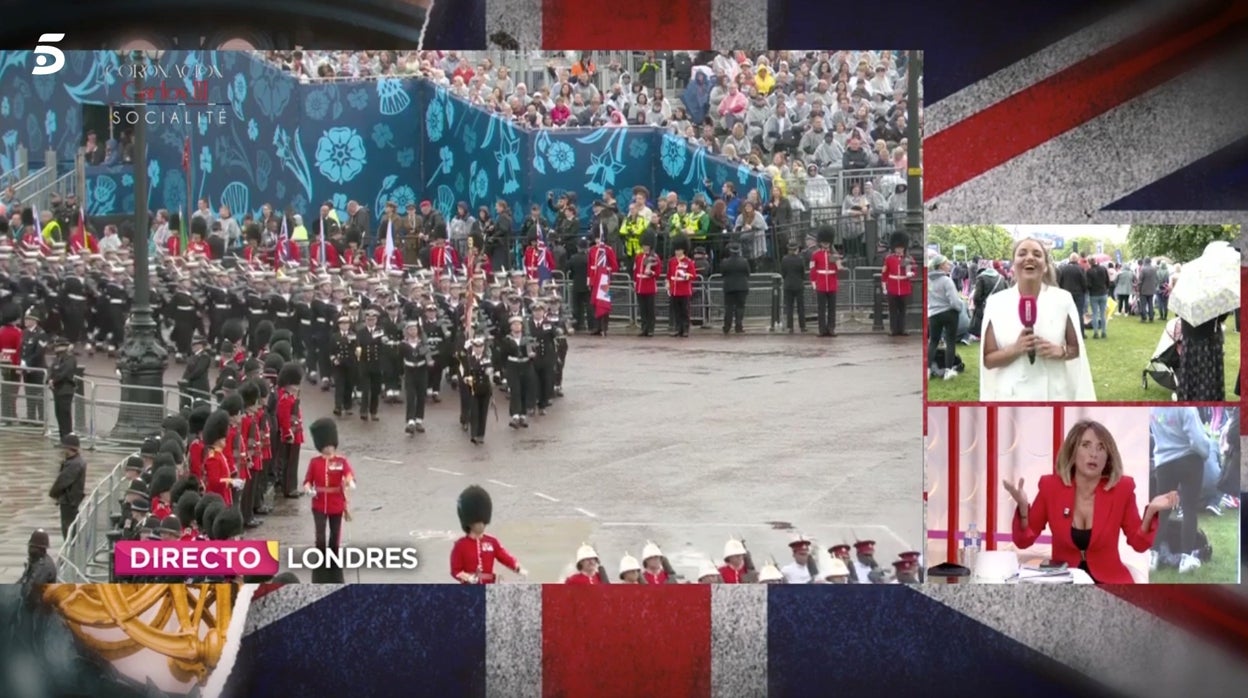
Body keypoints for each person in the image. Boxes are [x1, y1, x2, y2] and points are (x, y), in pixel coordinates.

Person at [1003, 420, 1175, 584]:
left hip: (1110, 582)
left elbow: (1139, 544)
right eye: (1086, 445)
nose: (1094, 454)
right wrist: (1023, 509)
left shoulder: (1122, 489)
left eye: (1101, 448)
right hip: (1066, 582)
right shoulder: (1051, 487)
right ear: (1072, 451)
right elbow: (1023, 542)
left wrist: (1151, 511)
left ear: (1108, 457)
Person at [980, 238, 1095, 401]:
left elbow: (1076, 349)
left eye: (1037, 254)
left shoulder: (1063, 300)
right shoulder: (996, 303)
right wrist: (1015, 349)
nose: (1029, 258)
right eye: (1022, 254)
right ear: (1013, 265)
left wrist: (1060, 351)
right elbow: (988, 360)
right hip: (1011, 398)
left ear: (1046, 265)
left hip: (1054, 396)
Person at [1150, 407, 1211, 574]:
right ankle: (1186, 558)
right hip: (1189, 460)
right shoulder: (1186, 408)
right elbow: (1198, 440)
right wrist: (1206, 452)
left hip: (1164, 462)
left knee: (1162, 511)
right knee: (1189, 509)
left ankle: (1153, 555)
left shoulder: (1152, 409)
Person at [303, 418, 355, 584]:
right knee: (320, 536)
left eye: (331, 445)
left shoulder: (341, 461)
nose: (329, 448)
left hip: (336, 503)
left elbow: (348, 473)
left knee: (335, 535)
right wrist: (308, 489)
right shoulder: (314, 462)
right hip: (319, 503)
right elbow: (307, 481)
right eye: (326, 445)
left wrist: (350, 482)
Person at [450, 485, 525, 583]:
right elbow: (455, 571)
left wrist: (516, 566)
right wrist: (467, 577)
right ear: (469, 523)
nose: (481, 525)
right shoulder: (460, 546)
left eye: (482, 522)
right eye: (477, 523)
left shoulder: (492, 542)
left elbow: (504, 557)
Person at [927, 254, 964, 380]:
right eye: (947, 264)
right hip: (949, 313)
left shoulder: (928, 281)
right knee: (950, 342)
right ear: (941, 266)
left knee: (933, 341)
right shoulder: (946, 280)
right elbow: (954, 300)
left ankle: (927, 370)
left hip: (934, 313)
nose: (949, 266)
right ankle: (948, 370)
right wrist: (960, 307)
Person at [48, 434, 86, 540]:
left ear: (69, 448)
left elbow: (62, 482)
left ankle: (71, 548)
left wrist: (53, 494)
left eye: (64, 447)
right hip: (71, 500)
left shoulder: (74, 464)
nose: (62, 450)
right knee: (71, 527)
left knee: (68, 530)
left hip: (69, 501)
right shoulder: (75, 461)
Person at [275, 362, 304, 498]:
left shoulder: (290, 395)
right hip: (291, 434)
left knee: (293, 462)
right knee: (289, 463)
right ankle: (289, 488)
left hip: (295, 433)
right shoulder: (285, 398)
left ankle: (292, 486)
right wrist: (288, 434)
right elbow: (284, 418)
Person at [809, 227, 843, 337]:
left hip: (832, 284)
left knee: (832, 308)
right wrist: (814, 283)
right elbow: (813, 270)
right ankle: (822, 329)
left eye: (827, 242)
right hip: (821, 284)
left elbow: (839, 270)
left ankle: (831, 328)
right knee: (821, 309)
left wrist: (838, 262)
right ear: (820, 242)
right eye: (824, 242)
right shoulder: (815, 255)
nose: (826, 244)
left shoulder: (834, 254)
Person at [881, 232, 916, 336]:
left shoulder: (909, 259)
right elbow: (885, 273)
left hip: (904, 286)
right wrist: (884, 286)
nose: (899, 250)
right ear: (894, 248)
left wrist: (911, 274)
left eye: (901, 248)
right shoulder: (889, 258)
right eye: (897, 248)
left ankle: (902, 329)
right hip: (892, 287)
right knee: (892, 310)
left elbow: (914, 271)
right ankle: (893, 329)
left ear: (904, 248)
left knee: (903, 310)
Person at [19, 309, 47, 423]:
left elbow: (39, 352)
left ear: (35, 321)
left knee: (39, 395)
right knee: (29, 394)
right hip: (27, 369)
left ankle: (41, 420)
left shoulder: (41, 334)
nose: (26, 321)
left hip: (37, 369)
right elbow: (22, 349)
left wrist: (27, 363)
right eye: (25, 319)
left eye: (28, 319)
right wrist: (22, 361)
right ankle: (30, 417)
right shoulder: (24, 332)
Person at [633, 231, 662, 337]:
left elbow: (658, 272)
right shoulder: (639, 257)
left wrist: (651, 273)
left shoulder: (655, 257)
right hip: (640, 286)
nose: (645, 247)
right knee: (642, 310)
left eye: (647, 245)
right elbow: (635, 271)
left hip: (649, 286)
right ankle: (644, 328)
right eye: (644, 245)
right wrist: (635, 283)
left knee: (650, 310)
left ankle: (650, 329)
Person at [48, 337, 77, 440]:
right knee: (59, 414)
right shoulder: (57, 358)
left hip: (65, 388)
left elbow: (65, 372)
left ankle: (67, 437)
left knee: (65, 415)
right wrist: (49, 379)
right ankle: (62, 437)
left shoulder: (70, 358)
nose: (55, 348)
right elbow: (51, 369)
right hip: (57, 389)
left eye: (57, 346)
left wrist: (54, 380)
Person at [667, 236, 696, 337]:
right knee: (677, 311)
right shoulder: (672, 261)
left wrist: (685, 275)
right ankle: (678, 329)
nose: (677, 252)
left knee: (685, 311)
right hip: (674, 290)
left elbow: (693, 275)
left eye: (679, 250)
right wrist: (668, 284)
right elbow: (669, 275)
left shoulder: (688, 262)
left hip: (684, 290)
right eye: (676, 250)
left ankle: (685, 329)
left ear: (683, 250)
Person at [719, 242, 751, 334]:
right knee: (740, 307)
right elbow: (748, 273)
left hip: (729, 287)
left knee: (728, 308)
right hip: (742, 287)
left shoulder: (725, 262)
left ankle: (727, 327)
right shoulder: (744, 261)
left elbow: (722, 273)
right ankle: (739, 326)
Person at [18, 529, 57, 601]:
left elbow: (31, 590)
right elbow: (23, 580)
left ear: (41, 549)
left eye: (32, 547)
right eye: (30, 546)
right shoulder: (35, 561)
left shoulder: (43, 567)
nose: (29, 550)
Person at [1057, 253, 1088, 339]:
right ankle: (1080, 333)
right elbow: (1084, 282)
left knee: (1066, 314)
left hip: (1066, 293)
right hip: (1078, 294)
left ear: (1069, 259)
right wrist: (1084, 290)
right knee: (1079, 313)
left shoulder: (1063, 269)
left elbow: (1060, 281)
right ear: (1077, 260)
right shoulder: (1080, 269)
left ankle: (1066, 333)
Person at [779, 241, 806, 333]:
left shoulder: (784, 259)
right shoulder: (800, 259)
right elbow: (803, 272)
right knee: (800, 307)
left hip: (788, 285)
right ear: (796, 249)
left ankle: (790, 327)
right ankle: (802, 326)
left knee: (789, 307)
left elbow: (783, 272)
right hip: (799, 285)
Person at [1086, 258, 1111, 339]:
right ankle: (1104, 332)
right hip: (1103, 293)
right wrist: (1106, 288)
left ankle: (1096, 332)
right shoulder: (1103, 269)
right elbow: (1107, 280)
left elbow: (1088, 284)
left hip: (1093, 294)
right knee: (1103, 314)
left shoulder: (1089, 272)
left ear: (1089, 263)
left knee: (1095, 314)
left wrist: (1090, 289)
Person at [1137, 258, 1159, 323]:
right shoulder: (1154, 269)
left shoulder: (1143, 269)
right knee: (1150, 304)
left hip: (1143, 290)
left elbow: (1140, 280)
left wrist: (1138, 289)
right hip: (1151, 290)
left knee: (1143, 304)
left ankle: (1144, 317)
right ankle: (1151, 317)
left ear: (1144, 262)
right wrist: (1154, 286)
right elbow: (1157, 279)